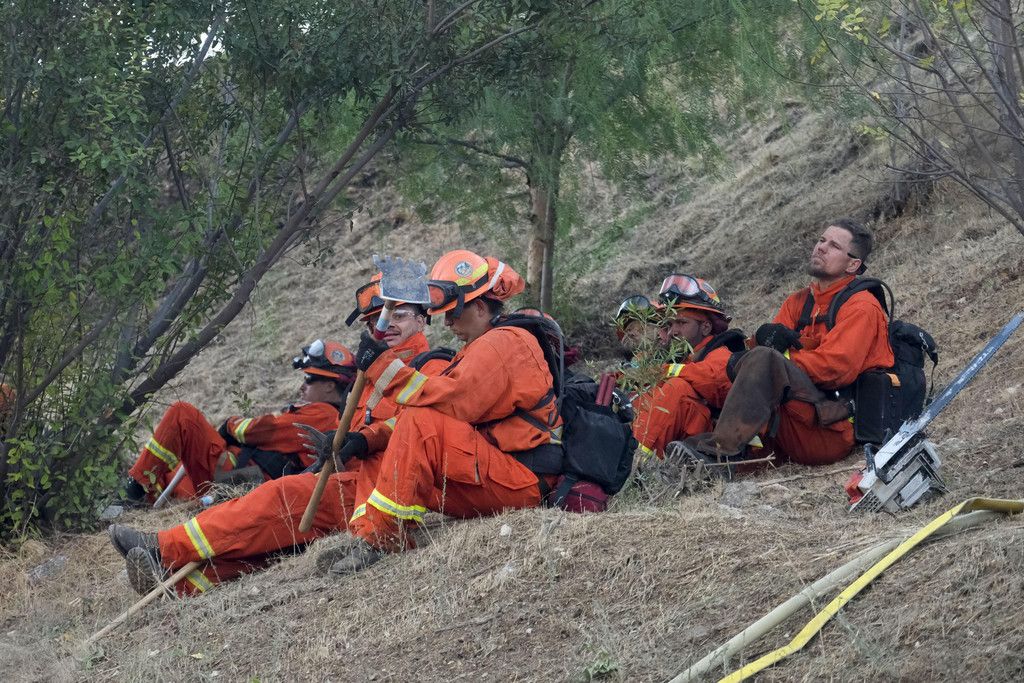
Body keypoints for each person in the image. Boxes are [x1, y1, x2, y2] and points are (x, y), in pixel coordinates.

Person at [108, 279, 448, 595]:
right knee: (273, 542)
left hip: (383, 489)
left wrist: (362, 440)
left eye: (399, 315)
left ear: (422, 320)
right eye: (375, 322)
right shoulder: (369, 379)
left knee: (279, 500)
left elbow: (416, 423)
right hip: (355, 484)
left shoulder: (430, 367)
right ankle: (173, 583)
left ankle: (165, 548)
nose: (385, 326)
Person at [332, 249, 562, 573]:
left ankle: (382, 538)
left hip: (521, 480)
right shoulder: (479, 347)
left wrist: (383, 365)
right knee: (382, 446)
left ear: (479, 306)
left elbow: (450, 403)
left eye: (453, 313)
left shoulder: (503, 343)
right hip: (499, 472)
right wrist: (368, 439)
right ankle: (366, 535)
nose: (448, 322)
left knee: (420, 418)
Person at [680, 218, 894, 467]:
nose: (821, 247)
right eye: (821, 240)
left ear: (853, 264)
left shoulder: (862, 307)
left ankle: (718, 454)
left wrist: (779, 358)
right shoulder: (798, 302)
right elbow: (759, 362)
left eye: (834, 246)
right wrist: (763, 341)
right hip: (793, 417)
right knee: (743, 365)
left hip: (831, 430)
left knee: (763, 360)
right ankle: (706, 453)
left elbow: (836, 368)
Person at [122, 339, 355, 505]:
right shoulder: (327, 417)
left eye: (309, 379)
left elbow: (262, 430)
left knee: (182, 414)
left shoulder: (323, 415)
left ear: (329, 385)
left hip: (238, 477)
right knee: (174, 476)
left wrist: (230, 425)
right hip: (241, 480)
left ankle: (132, 493)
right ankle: (138, 497)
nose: (302, 386)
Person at [631, 275, 745, 459]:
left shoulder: (721, 353)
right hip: (690, 439)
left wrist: (667, 371)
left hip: (717, 445)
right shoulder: (686, 359)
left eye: (682, 323)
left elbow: (715, 383)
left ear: (705, 327)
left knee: (677, 388)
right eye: (670, 324)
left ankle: (636, 459)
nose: (673, 331)